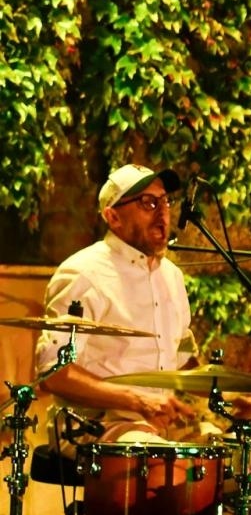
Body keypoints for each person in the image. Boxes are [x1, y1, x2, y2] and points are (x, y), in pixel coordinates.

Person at [33, 163, 201, 442]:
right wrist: (137, 400)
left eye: (165, 201)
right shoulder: (83, 273)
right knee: (158, 459)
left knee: (227, 457)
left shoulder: (172, 277)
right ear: (113, 217)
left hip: (157, 424)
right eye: (148, 203)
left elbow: (183, 360)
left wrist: (230, 393)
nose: (162, 212)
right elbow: (54, 374)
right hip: (92, 426)